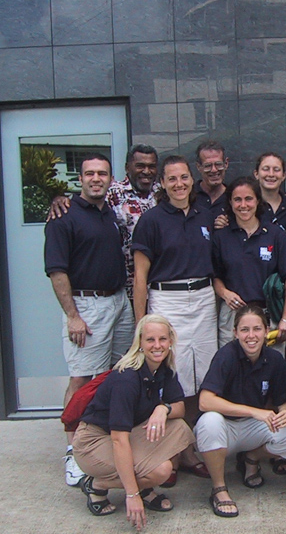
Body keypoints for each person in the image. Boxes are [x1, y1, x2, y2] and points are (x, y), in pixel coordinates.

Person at [44, 153, 135, 487]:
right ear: (79, 178)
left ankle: (103, 439)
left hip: (118, 302)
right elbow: (57, 270)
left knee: (118, 373)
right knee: (81, 378)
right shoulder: (63, 216)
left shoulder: (109, 213)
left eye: (103, 174)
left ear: (111, 179)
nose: (96, 179)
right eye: (90, 173)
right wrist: (73, 316)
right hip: (86, 306)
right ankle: (73, 452)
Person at [132, 155, 217, 481]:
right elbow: (141, 276)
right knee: (174, 377)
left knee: (202, 375)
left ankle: (191, 446)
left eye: (184, 178)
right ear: (163, 184)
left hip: (204, 299)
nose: (179, 184)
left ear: (191, 180)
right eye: (172, 179)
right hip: (168, 300)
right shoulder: (151, 220)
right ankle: (172, 453)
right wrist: (143, 325)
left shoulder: (205, 215)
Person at [73, 314, 194, 530]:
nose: (157, 346)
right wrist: (132, 495)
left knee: (177, 430)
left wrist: (162, 408)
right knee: (160, 471)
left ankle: (141, 485)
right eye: (150, 340)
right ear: (139, 343)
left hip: (128, 434)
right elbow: (119, 439)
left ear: (170, 341)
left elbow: (180, 408)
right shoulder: (126, 378)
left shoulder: (165, 368)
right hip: (94, 442)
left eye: (163, 339)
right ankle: (96, 484)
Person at [194, 305, 286, 518]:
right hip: (224, 429)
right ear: (235, 333)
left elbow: (285, 401)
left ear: (266, 330)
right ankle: (219, 488)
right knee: (209, 420)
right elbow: (205, 401)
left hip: (252, 429)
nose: (251, 336)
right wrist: (254, 411)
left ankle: (251, 459)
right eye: (244, 330)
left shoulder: (274, 359)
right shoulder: (226, 356)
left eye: (257, 329)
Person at [48, 144, 159, 297]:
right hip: (125, 289)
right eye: (140, 166)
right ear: (127, 168)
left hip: (160, 286)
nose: (146, 171)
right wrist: (60, 200)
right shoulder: (112, 193)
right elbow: (88, 199)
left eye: (151, 166)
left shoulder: (164, 194)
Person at [212, 176, 286, 350]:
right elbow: (215, 275)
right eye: (237, 199)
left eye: (248, 199)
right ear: (230, 202)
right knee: (232, 370)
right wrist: (225, 293)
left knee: (270, 370)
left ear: (258, 201)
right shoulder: (221, 237)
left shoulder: (275, 235)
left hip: (268, 316)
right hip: (232, 316)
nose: (243, 205)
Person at [194, 140, 230, 219]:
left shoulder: (233, 197)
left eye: (218, 164)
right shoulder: (189, 196)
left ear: (226, 164)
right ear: (198, 167)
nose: (214, 170)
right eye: (208, 165)